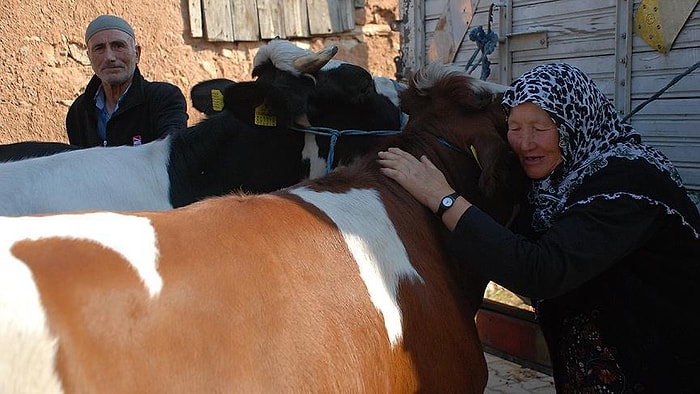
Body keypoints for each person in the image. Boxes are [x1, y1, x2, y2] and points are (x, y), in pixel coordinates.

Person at [378, 63, 700, 392]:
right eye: (514, 127)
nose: (524, 143)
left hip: (663, 365)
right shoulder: (557, 182)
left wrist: (443, 198)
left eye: (540, 128)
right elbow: (513, 238)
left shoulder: (625, 181)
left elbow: (542, 271)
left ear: (572, 122)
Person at [66, 15, 188, 147]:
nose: (110, 57)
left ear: (136, 54)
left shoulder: (163, 98)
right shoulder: (79, 111)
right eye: (99, 48)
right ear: (89, 57)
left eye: (118, 46)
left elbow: (174, 153)